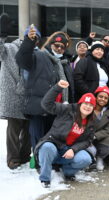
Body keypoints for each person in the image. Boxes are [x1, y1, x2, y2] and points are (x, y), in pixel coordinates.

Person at [16, 27, 75, 151]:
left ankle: (50, 161)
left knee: (53, 137)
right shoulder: (39, 55)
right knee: (38, 137)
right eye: (56, 45)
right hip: (39, 107)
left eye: (62, 47)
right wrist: (29, 42)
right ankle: (39, 162)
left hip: (57, 109)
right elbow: (22, 60)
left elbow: (71, 88)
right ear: (50, 44)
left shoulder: (65, 63)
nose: (59, 48)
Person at [35, 80, 95, 188]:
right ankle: (45, 179)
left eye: (91, 105)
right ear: (80, 103)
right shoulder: (67, 109)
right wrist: (57, 88)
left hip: (69, 151)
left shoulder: (91, 122)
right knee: (47, 147)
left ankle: (67, 172)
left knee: (86, 159)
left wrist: (73, 149)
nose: (87, 107)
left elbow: (88, 141)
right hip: (55, 145)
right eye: (85, 103)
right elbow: (46, 104)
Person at [0, 15, 31, 169]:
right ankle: (13, 158)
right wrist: (2, 35)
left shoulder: (36, 52)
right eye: (30, 36)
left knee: (28, 130)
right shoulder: (10, 48)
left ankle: (25, 156)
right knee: (13, 130)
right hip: (13, 95)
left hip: (30, 98)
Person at [91, 86, 109, 171]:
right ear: (96, 97)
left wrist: (95, 136)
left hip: (98, 138)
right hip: (85, 138)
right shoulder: (87, 107)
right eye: (100, 96)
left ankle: (100, 158)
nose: (103, 99)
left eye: (106, 98)